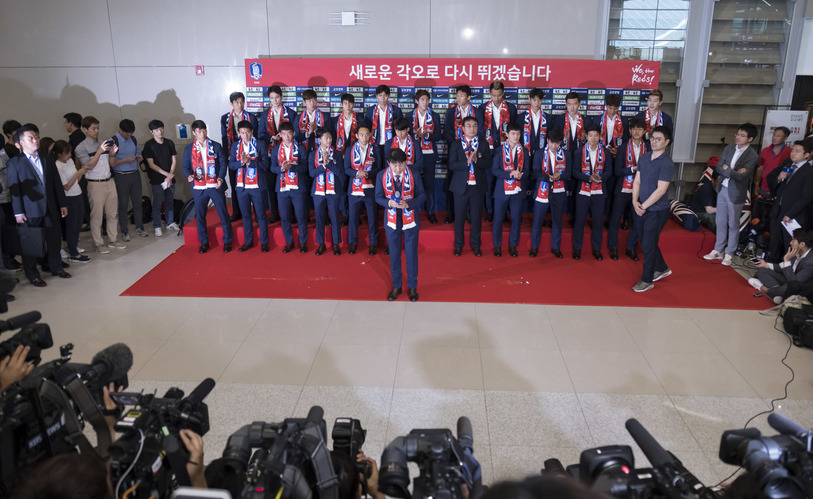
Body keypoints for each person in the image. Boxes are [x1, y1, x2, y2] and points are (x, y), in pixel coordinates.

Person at [7, 124, 70, 286]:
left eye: (36, 137)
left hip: (51, 206)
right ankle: (32, 274)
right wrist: (18, 212)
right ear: (20, 143)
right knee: (32, 243)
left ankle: (56, 267)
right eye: (30, 138)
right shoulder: (15, 163)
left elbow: (56, 183)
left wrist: (62, 203)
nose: (35, 140)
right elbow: (15, 190)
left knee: (54, 239)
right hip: (29, 210)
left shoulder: (47, 158)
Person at [703, 123, 759, 266]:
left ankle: (729, 252)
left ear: (750, 139)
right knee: (720, 221)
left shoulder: (752, 155)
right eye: (737, 134)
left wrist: (728, 170)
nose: (738, 137)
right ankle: (718, 249)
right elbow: (719, 167)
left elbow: (742, 176)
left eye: (742, 135)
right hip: (722, 188)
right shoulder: (728, 148)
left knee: (733, 224)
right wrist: (732, 171)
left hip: (736, 192)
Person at [376, 148, 425, 302]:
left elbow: (422, 196)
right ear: (388, 163)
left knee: (411, 254)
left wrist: (409, 204)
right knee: (394, 254)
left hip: (410, 217)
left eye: (401, 164)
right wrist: (388, 203)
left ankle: (412, 287)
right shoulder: (381, 176)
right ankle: (396, 285)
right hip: (391, 219)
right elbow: (378, 197)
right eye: (394, 165)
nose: (398, 169)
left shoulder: (414, 174)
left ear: (405, 162)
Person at [631, 126, 674, 293]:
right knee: (646, 240)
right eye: (652, 138)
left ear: (667, 142)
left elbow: (661, 190)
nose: (654, 142)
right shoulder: (643, 157)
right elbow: (637, 181)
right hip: (640, 206)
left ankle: (647, 280)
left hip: (656, 210)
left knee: (648, 245)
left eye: (658, 139)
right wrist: (635, 201)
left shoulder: (666, 163)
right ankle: (662, 267)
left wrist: (643, 206)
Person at [74, 116, 125, 253]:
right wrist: (99, 152)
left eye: (98, 128)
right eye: (93, 128)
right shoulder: (81, 147)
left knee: (112, 213)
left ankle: (113, 240)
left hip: (109, 180)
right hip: (95, 183)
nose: (96, 131)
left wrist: (112, 154)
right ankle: (99, 243)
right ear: (85, 129)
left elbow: (111, 164)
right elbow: (88, 166)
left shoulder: (104, 143)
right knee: (97, 215)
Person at [182, 120, 233, 254]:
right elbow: (185, 167)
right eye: (199, 131)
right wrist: (189, 175)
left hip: (215, 185)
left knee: (223, 213)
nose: (202, 133)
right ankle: (204, 242)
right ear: (194, 133)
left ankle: (228, 240)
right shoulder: (188, 149)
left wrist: (221, 178)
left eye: (204, 130)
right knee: (200, 215)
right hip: (199, 187)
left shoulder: (215, 146)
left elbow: (223, 164)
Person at [448, 116, 491, 256]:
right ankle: (458, 245)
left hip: (477, 187)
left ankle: (476, 245)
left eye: (474, 126)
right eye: (468, 126)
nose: (471, 129)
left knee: (476, 218)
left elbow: (488, 164)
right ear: (463, 128)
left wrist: (477, 160)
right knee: (459, 218)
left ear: (478, 128)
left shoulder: (483, 144)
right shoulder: (455, 144)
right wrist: (466, 163)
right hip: (461, 187)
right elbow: (452, 165)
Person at [766, 140, 813, 262]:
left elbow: (807, 197)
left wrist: (790, 214)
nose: (793, 153)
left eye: (798, 151)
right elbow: (777, 186)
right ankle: (770, 270)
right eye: (793, 150)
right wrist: (779, 178)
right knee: (775, 243)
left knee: (789, 246)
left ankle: (787, 275)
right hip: (778, 211)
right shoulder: (788, 166)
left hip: (793, 216)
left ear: (806, 155)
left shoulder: (809, 172)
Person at [607, 118, 648, 261]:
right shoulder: (623, 148)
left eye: (640, 129)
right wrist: (632, 169)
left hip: (641, 191)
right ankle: (613, 247)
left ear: (644, 131)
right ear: (630, 131)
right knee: (615, 220)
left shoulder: (648, 148)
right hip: (623, 190)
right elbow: (617, 171)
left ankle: (631, 248)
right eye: (634, 129)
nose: (636, 132)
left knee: (637, 221)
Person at [258, 84, 297, 224]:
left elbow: (295, 133)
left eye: (277, 97)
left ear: (281, 97)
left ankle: (291, 213)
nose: (274, 100)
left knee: (290, 185)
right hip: (271, 156)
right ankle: (274, 212)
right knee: (271, 186)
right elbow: (260, 134)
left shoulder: (291, 113)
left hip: (288, 156)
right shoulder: (264, 114)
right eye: (272, 98)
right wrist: (271, 138)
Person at [572, 124, 611, 261]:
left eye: (596, 135)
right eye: (590, 135)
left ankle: (597, 249)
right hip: (583, 192)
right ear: (586, 136)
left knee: (598, 222)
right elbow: (575, 172)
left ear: (600, 136)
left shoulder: (605, 152)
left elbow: (609, 171)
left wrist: (600, 178)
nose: (593, 138)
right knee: (579, 221)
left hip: (599, 193)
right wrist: (588, 178)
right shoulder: (578, 152)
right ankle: (577, 249)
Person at [229, 120, 269, 253]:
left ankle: (264, 242)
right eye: (242, 133)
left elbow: (265, 165)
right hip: (242, 186)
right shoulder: (235, 146)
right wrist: (241, 162)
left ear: (252, 132)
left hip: (257, 186)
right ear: (238, 133)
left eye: (247, 132)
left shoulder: (260, 144)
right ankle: (248, 241)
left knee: (261, 215)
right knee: (246, 216)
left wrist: (250, 162)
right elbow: (231, 165)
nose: (245, 135)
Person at [530, 129, 570, 258]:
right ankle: (534, 247)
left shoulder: (566, 154)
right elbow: (535, 173)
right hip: (543, 190)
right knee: (537, 221)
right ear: (547, 141)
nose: (554, 146)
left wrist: (560, 176)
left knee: (557, 221)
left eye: (557, 143)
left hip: (558, 192)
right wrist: (548, 177)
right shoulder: (540, 154)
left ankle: (555, 247)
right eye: (552, 143)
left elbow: (569, 174)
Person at [491, 122, 528, 258]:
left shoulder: (524, 151)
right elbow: (494, 170)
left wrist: (521, 175)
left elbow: (528, 170)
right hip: (502, 190)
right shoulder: (499, 150)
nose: (516, 136)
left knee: (516, 219)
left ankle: (513, 245)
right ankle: (497, 245)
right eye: (513, 133)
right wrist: (509, 174)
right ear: (506, 134)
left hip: (518, 190)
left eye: (518, 134)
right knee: (499, 219)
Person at [481, 80, 518, 219]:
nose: (496, 98)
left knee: (506, 181)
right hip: (488, 151)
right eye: (493, 95)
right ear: (490, 94)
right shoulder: (483, 108)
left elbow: (514, 131)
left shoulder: (511, 108)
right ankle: (490, 211)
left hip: (506, 150)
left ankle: (504, 213)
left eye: (499, 95)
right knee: (489, 182)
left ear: (503, 94)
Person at [443, 84, 480, 224]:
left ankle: (469, 214)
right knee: (453, 184)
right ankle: (451, 214)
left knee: (472, 185)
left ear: (469, 97)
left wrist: (470, 144)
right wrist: (458, 145)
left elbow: (480, 131)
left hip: (474, 151)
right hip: (456, 152)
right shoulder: (451, 112)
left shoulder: (477, 112)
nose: (458, 98)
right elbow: (446, 132)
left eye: (461, 96)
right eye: (457, 95)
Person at [271, 121, 309, 253]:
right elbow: (272, 168)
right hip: (282, 189)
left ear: (293, 133)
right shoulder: (275, 150)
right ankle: (289, 242)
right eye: (284, 134)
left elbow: (305, 168)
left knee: (301, 216)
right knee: (285, 217)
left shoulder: (301, 148)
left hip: (298, 188)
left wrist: (292, 166)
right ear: (280, 135)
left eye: (289, 134)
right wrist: (281, 168)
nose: (287, 137)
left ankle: (303, 242)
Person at [220, 91, 257, 222]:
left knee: (253, 184)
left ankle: (255, 212)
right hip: (233, 157)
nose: (240, 105)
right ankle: (237, 212)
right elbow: (224, 138)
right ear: (231, 103)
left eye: (242, 102)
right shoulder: (225, 118)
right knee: (236, 184)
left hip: (250, 156)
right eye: (237, 102)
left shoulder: (251, 117)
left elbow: (255, 137)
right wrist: (227, 157)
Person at [344, 124, 381, 255]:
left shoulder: (375, 150)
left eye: (366, 135)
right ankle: (353, 243)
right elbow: (346, 169)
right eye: (361, 135)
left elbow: (379, 168)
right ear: (356, 136)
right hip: (354, 189)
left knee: (372, 218)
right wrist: (356, 173)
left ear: (370, 135)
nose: (364, 137)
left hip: (370, 188)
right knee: (353, 218)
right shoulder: (349, 150)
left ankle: (373, 243)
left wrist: (368, 174)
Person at [406, 90, 441, 224]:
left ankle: (431, 212)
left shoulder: (435, 116)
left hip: (429, 154)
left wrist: (426, 135)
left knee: (429, 185)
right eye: (422, 100)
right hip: (412, 155)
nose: (425, 102)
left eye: (427, 99)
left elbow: (438, 136)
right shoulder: (409, 116)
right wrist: (416, 135)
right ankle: (410, 211)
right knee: (410, 185)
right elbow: (404, 135)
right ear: (416, 101)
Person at [751, 228, 813, 304]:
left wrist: (786, 260)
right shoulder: (797, 251)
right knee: (762, 271)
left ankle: (764, 289)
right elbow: (784, 268)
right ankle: (777, 294)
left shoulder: (810, 262)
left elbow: (794, 283)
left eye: (793, 240)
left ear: (802, 244)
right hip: (788, 279)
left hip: (799, 287)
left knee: (785, 288)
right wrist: (766, 264)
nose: (790, 243)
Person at [108, 119, 146, 241]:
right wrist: (125, 160)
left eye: (131, 133)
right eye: (127, 134)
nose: (129, 136)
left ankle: (139, 227)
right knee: (123, 204)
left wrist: (139, 158)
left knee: (137, 202)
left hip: (134, 174)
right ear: (120, 130)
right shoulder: (113, 140)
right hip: (121, 175)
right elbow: (111, 163)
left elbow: (138, 154)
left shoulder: (133, 139)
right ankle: (124, 231)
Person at [53, 141, 90, 263]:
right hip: (68, 197)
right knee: (71, 225)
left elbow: (76, 180)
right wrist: (78, 173)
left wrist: (81, 173)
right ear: (58, 154)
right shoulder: (58, 166)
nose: (69, 155)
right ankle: (74, 253)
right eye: (66, 153)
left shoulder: (70, 161)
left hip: (77, 194)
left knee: (78, 223)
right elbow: (66, 186)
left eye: (69, 152)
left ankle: (73, 247)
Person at [310, 127, 345, 255]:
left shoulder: (337, 153)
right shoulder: (312, 154)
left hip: (333, 190)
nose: (329, 140)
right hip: (318, 192)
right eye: (326, 138)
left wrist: (329, 163)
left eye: (330, 137)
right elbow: (311, 173)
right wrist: (323, 166)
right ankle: (321, 243)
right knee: (319, 218)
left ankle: (336, 244)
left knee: (335, 217)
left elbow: (340, 172)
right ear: (319, 140)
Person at [142, 120, 178, 237]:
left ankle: (170, 222)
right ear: (151, 132)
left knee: (170, 201)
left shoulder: (169, 143)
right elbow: (151, 164)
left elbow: (174, 160)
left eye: (161, 128)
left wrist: (171, 174)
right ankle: (157, 226)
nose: (160, 131)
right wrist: (166, 175)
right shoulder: (149, 145)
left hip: (170, 177)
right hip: (157, 179)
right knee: (157, 203)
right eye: (157, 130)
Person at [365, 84, 403, 162]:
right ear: (377, 96)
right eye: (380, 95)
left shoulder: (396, 111)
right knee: (377, 167)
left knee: (390, 166)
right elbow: (367, 128)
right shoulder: (370, 111)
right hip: (375, 144)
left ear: (388, 96)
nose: (383, 98)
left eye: (385, 95)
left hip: (392, 144)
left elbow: (400, 128)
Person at [384, 118, 424, 192]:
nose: (399, 133)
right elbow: (386, 163)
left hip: (411, 176)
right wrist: (397, 171)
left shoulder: (415, 143)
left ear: (407, 129)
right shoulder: (389, 143)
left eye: (401, 130)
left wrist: (404, 170)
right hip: (393, 177)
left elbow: (419, 163)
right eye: (397, 131)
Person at [755, 126, 791, 198]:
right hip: (764, 187)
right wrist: (757, 184)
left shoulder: (789, 152)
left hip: (779, 189)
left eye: (778, 136)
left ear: (785, 138)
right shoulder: (765, 150)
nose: (774, 137)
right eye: (774, 135)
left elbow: (790, 171)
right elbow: (760, 168)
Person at [295, 88, 329, 156]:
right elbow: (295, 138)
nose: (312, 103)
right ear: (304, 102)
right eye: (309, 101)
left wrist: (316, 130)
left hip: (321, 152)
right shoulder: (298, 118)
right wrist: (307, 134)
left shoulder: (325, 117)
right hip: (303, 152)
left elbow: (329, 136)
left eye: (314, 100)